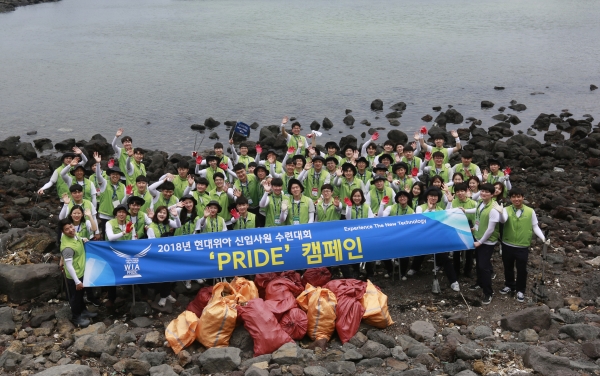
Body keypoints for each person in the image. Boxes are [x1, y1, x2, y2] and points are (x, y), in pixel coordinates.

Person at [499, 187, 547, 303]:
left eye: (518, 196)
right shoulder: (505, 209)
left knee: (521, 269)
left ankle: (521, 290)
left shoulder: (530, 211)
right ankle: (509, 285)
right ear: (510, 198)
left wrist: (543, 238)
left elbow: (535, 226)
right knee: (508, 267)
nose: (516, 199)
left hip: (522, 246)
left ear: (523, 197)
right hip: (507, 244)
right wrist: (500, 213)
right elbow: (502, 220)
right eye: (514, 197)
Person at [461, 183, 502, 305]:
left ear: (492, 194)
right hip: (478, 237)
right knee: (479, 263)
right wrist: (465, 210)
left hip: (487, 241)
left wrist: (480, 242)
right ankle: (479, 283)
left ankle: (488, 292)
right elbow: (477, 210)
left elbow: (490, 229)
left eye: (487, 192)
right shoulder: (480, 202)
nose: (483, 193)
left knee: (484, 266)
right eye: (482, 191)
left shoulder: (494, 209)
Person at [59, 218, 97, 327]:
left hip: (81, 270)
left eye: (71, 226)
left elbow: (78, 238)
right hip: (74, 275)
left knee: (81, 295)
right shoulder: (67, 248)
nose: (71, 230)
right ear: (63, 232)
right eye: (67, 229)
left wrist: (83, 239)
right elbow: (69, 266)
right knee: (75, 297)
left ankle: (83, 310)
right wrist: (76, 282)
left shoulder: (75, 236)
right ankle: (76, 317)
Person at [146, 205, 181, 306]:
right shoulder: (151, 227)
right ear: (156, 214)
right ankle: (163, 296)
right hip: (157, 256)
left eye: (164, 213)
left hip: (169, 254)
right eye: (160, 212)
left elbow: (178, 225)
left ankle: (166, 294)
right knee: (162, 276)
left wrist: (175, 216)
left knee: (170, 275)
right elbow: (152, 244)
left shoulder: (168, 223)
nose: (162, 214)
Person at [378, 190, 414, 279]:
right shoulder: (391, 207)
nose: (402, 198)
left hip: (404, 237)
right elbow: (380, 217)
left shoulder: (411, 211)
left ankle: (402, 273)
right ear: (397, 199)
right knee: (383, 252)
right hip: (390, 235)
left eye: (404, 196)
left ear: (408, 199)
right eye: (400, 197)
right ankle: (390, 270)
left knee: (405, 255)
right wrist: (382, 205)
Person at [446, 183, 477, 279]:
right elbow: (447, 213)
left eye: (462, 191)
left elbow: (478, 216)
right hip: (457, 226)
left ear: (466, 191)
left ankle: (468, 270)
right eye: (458, 191)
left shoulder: (473, 203)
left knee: (469, 251)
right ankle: (456, 270)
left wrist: (475, 227)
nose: (460, 193)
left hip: (470, 226)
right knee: (456, 251)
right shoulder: (454, 202)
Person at [94, 152, 126, 239]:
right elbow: (98, 176)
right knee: (106, 237)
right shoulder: (104, 183)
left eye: (117, 174)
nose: (115, 176)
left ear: (119, 176)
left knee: (116, 236)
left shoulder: (122, 186)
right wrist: (97, 163)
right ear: (110, 175)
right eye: (113, 174)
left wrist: (127, 196)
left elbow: (122, 202)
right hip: (105, 215)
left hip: (117, 216)